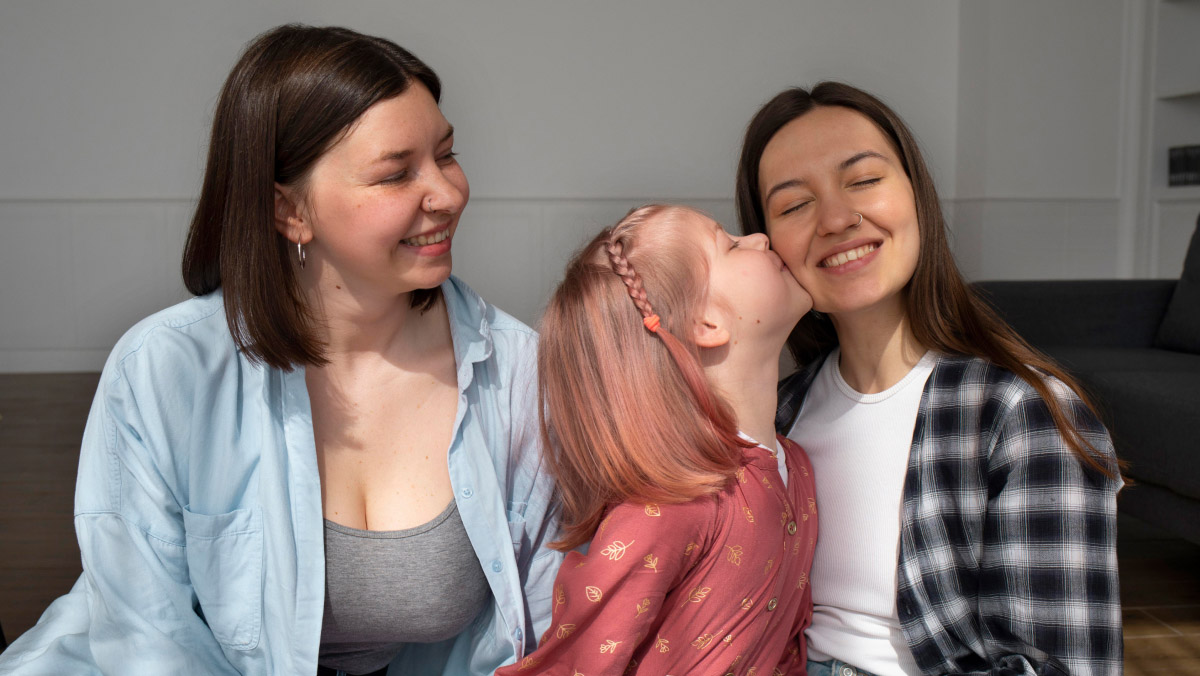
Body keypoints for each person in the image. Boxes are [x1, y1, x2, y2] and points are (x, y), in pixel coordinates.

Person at [0, 24, 561, 676]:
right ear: (289, 211)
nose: (447, 193)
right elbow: (148, 638)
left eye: (447, 155)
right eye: (395, 173)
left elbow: (543, 625)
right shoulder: (162, 371)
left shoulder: (521, 376)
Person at [735, 82, 1124, 676]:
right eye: (794, 205)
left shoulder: (1021, 415)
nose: (838, 218)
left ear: (917, 196)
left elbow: (1060, 666)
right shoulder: (777, 417)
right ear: (768, 245)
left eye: (863, 180)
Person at [495, 204, 819, 675]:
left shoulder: (798, 469)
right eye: (729, 244)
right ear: (707, 324)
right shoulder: (668, 508)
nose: (759, 239)